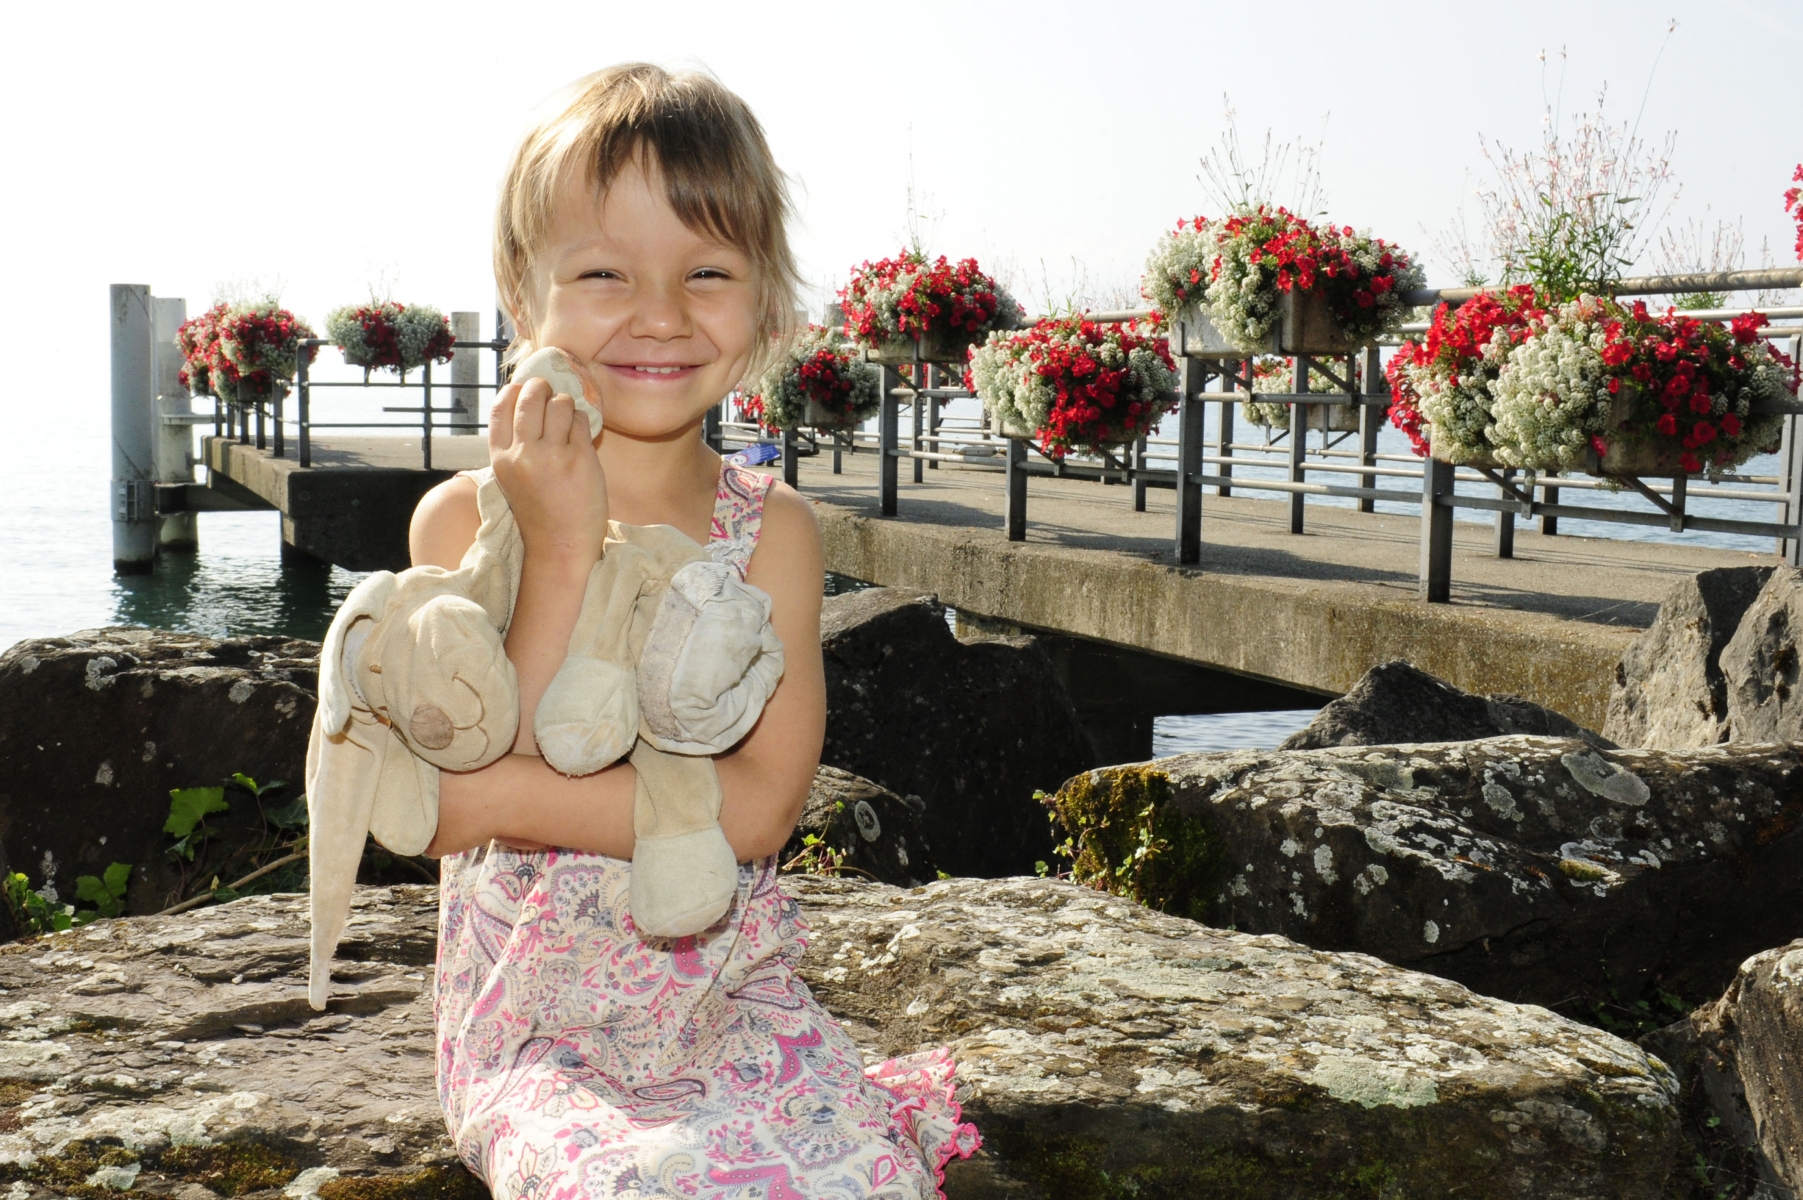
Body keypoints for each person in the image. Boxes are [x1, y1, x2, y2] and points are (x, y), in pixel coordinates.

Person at [407, 63, 979, 1199]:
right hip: (538, 1019)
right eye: (606, 272)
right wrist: (564, 549)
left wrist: (502, 802)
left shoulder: (771, 533)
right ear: (526, 298)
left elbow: (760, 809)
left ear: (765, 299)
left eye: (706, 272)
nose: (661, 315)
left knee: (863, 1179)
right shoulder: (467, 521)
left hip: (733, 991)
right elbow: (467, 764)